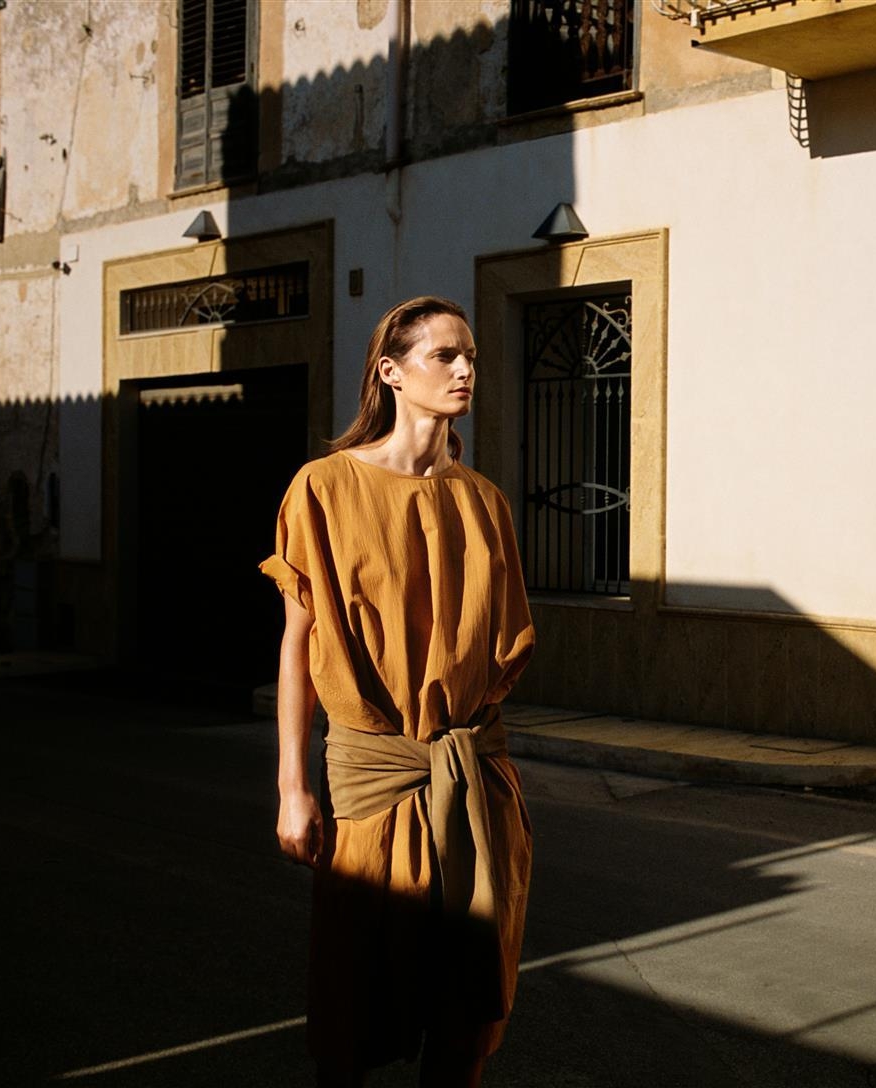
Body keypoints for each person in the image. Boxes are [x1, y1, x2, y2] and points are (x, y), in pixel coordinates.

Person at [260, 296, 535, 1087]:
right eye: (444, 355)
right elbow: (299, 645)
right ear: (391, 371)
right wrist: (292, 789)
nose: (464, 368)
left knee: (463, 1022)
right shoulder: (323, 488)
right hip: (372, 779)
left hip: (474, 782)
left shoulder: (484, 502)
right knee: (351, 1006)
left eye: (470, 355)